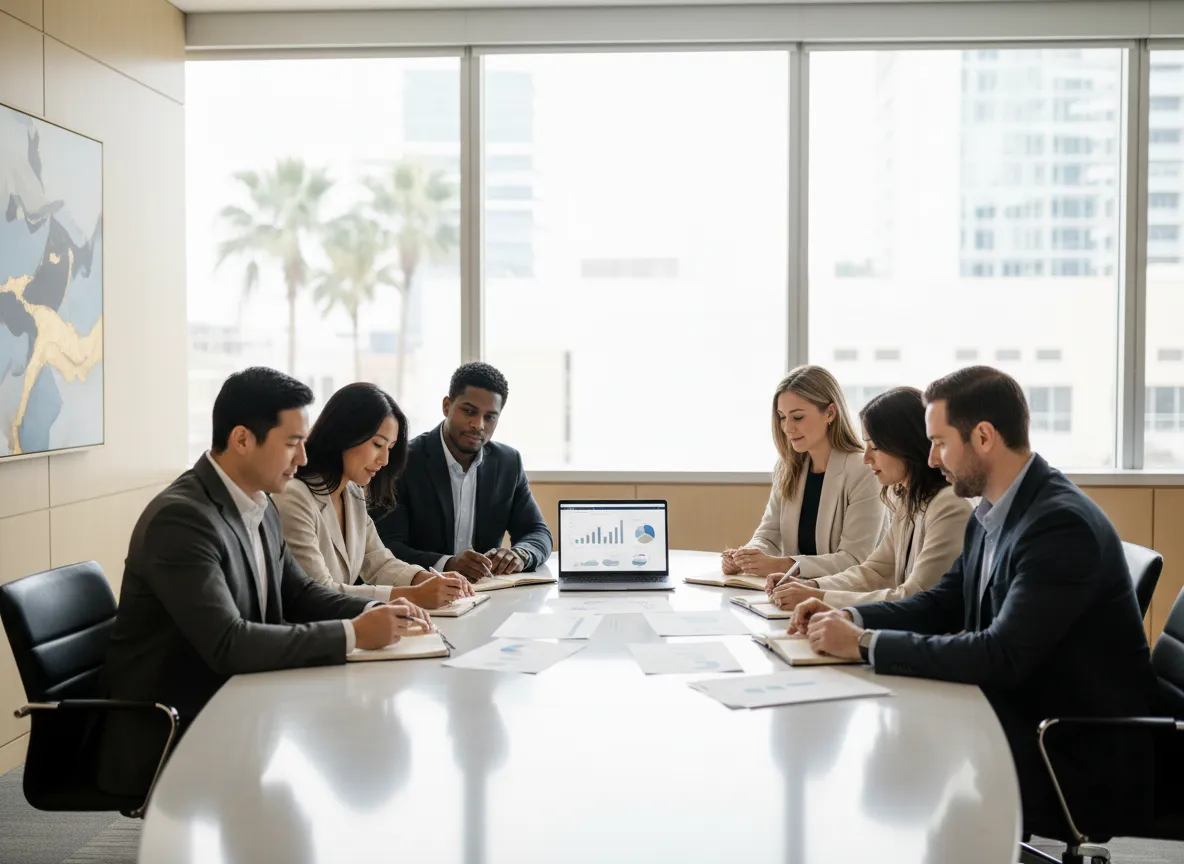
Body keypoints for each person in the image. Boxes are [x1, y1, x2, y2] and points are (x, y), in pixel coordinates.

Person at [789, 366, 1158, 836]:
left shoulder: (1058, 526)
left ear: (983, 437)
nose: (930, 458)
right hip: (1021, 711)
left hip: (1074, 748)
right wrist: (849, 615)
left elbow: (1000, 653)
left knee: (887, 771)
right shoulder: (993, 509)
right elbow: (941, 603)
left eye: (939, 443)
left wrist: (863, 644)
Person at [98, 367, 431, 797]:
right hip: (176, 723)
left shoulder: (259, 503)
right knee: (340, 756)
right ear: (241, 439)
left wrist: (377, 610)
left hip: (240, 698)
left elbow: (300, 592)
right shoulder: (182, 519)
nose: (304, 458)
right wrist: (354, 634)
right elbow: (228, 643)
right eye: (292, 443)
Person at [272, 382, 473, 609]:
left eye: (390, 448)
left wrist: (427, 579)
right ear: (344, 434)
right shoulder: (294, 496)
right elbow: (319, 591)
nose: (384, 460)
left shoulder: (352, 492)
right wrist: (414, 595)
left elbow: (378, 562)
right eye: (377, 444)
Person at [768, 386, 970, 610]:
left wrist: (821, 598)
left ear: (906, 445)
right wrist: (811, 586)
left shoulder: (949, 506)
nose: (866, 458)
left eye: (874, 447)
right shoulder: (908, 500)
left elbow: (914, 596)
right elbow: (874, 571)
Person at [372, 362, 552, 581]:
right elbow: (386, 547)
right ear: (447, 406)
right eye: (469, 411)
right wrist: (447, 563)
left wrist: (520, 555)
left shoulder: (508, 463)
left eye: (490, 417)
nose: (478, 425)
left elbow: (537, 532)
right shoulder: (403, 461)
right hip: (421, 590)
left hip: (487, 592)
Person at [723, 365, 887, 581]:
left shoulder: (863, 469)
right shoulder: (787, 467)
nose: (787, 428)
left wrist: (784, 565)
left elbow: (854, 559)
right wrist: (747, 557)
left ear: (830, 413)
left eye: (797, 417)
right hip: (796, 589)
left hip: (846, 593)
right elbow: (768, 536)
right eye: (782, 417)